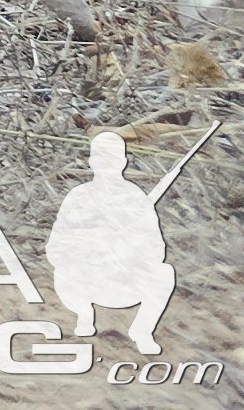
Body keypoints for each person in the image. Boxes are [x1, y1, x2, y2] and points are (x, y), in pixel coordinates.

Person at [45, 129, 179, 355]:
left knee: (164, 274)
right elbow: (55, 247)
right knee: (63, 272)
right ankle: (84, 314)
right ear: (92, 161)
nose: (107, 164)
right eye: (101, 158)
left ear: (123, 161)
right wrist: (86, 249)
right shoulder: (78, 196)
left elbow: (156, 249)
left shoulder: (136, 197)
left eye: (113, 158)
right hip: (85, 281)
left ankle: (142, 331)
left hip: (124, 282)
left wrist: (126, 250)